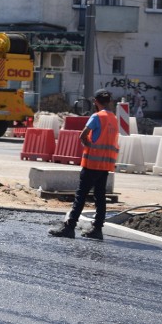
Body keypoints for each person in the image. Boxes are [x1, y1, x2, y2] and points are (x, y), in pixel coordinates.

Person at [48, 89, 120, 240]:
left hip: (92, 163)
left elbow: (83, 135)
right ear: (109, 102)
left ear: (96, 102)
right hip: (105, 165)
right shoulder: (114, 118)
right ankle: (97, 229)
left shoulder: (96, 116)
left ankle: (69, 227)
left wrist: (89, 147)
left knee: (81, 195)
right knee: (100, 197)